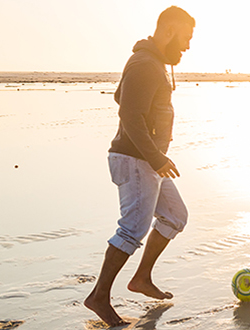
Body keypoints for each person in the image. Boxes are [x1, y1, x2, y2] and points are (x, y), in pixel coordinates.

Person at [84, 6, 195, 326]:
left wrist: (156, 153)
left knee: (175, 216)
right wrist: (156, 156)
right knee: (132, 229)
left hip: (147, 160)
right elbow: (128, 114)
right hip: (136, 160)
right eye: (186, 38)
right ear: (170, 31)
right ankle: (99, 296)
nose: (188, 46)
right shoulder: (145, 63)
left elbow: (121, 97)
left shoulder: (151, 62)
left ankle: (141, 278)